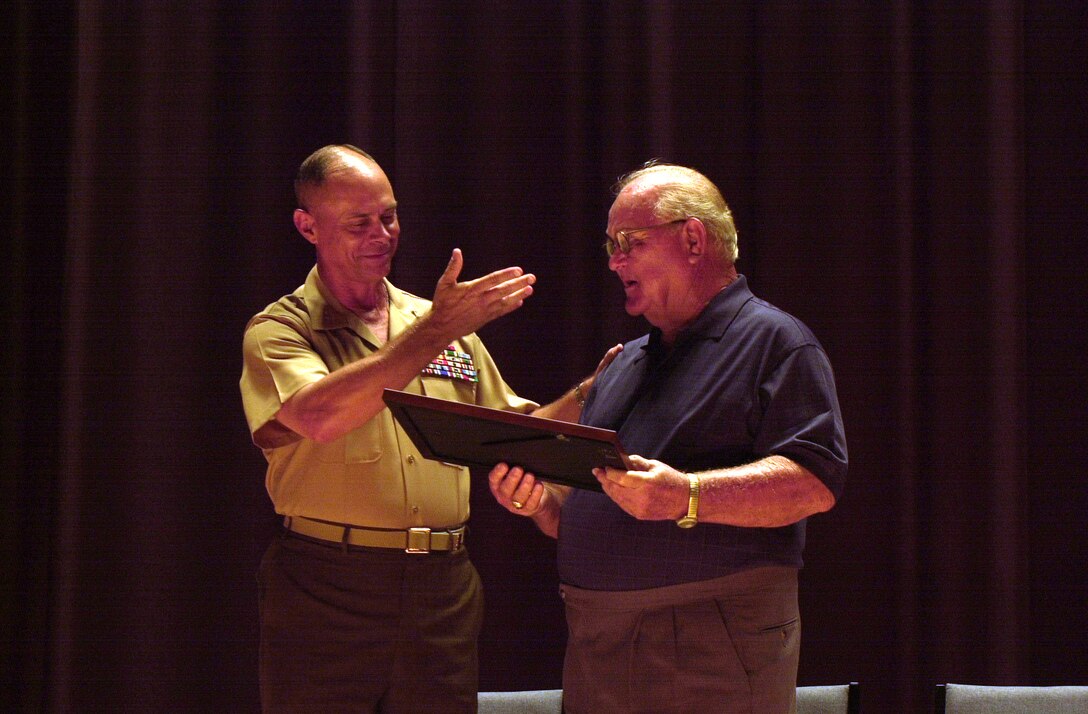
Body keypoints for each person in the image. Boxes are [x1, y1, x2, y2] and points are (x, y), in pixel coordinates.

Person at [239, 144, 607, 713]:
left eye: (388, 216)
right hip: (327, 585)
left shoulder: (434, 323)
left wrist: (593, 390)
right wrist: (435, 333)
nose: (381, 234)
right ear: (307, 226)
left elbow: (517, 431)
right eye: (358, 223)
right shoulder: (282, 330)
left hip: (443, 587)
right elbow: (318, 416)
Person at [489, 161, 848, 713]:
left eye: (628, 242)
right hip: (598, 643)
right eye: (610, 245)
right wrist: (541, 503)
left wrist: (688, 496)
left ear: (693, 239)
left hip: (708, 640)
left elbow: (814, 483)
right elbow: (586, 513)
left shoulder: (775, 341)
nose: (614, 261)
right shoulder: (627, 361)